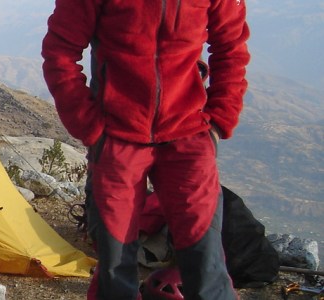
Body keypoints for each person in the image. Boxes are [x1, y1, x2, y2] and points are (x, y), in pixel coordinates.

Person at [41, 0, 250, 299]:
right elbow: (60, 50)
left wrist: (219, 121)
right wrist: (90, 126)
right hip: (116, 136)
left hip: (189, 135)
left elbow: (231, 47)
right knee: (115, 261)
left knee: (205, 257)